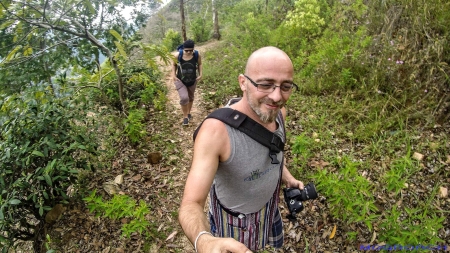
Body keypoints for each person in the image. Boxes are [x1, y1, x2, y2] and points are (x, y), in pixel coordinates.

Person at [178, 46, 304, 253]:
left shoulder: (279, 114)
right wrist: (204, 240)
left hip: (269, 208)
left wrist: (286, 176)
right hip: (234, 220)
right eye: (265, 84)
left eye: (286, 86)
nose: (276, 97)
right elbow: (191, 203)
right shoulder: (216, 132)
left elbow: (273, 153)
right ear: (243, 83)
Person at [172, 39, 203, 126]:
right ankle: (185, 117)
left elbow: (200, 64)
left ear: (193, 49)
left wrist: (201, 74)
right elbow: (174, 65)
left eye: (191, 50)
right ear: (183, 49)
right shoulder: (178, 55)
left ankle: (189, 113)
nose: (189, 52)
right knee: (184, 97)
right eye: (186, 50)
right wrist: (173, 75)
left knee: (190, 97)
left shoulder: (197, 55)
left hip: (192, 80)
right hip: (180, 80)